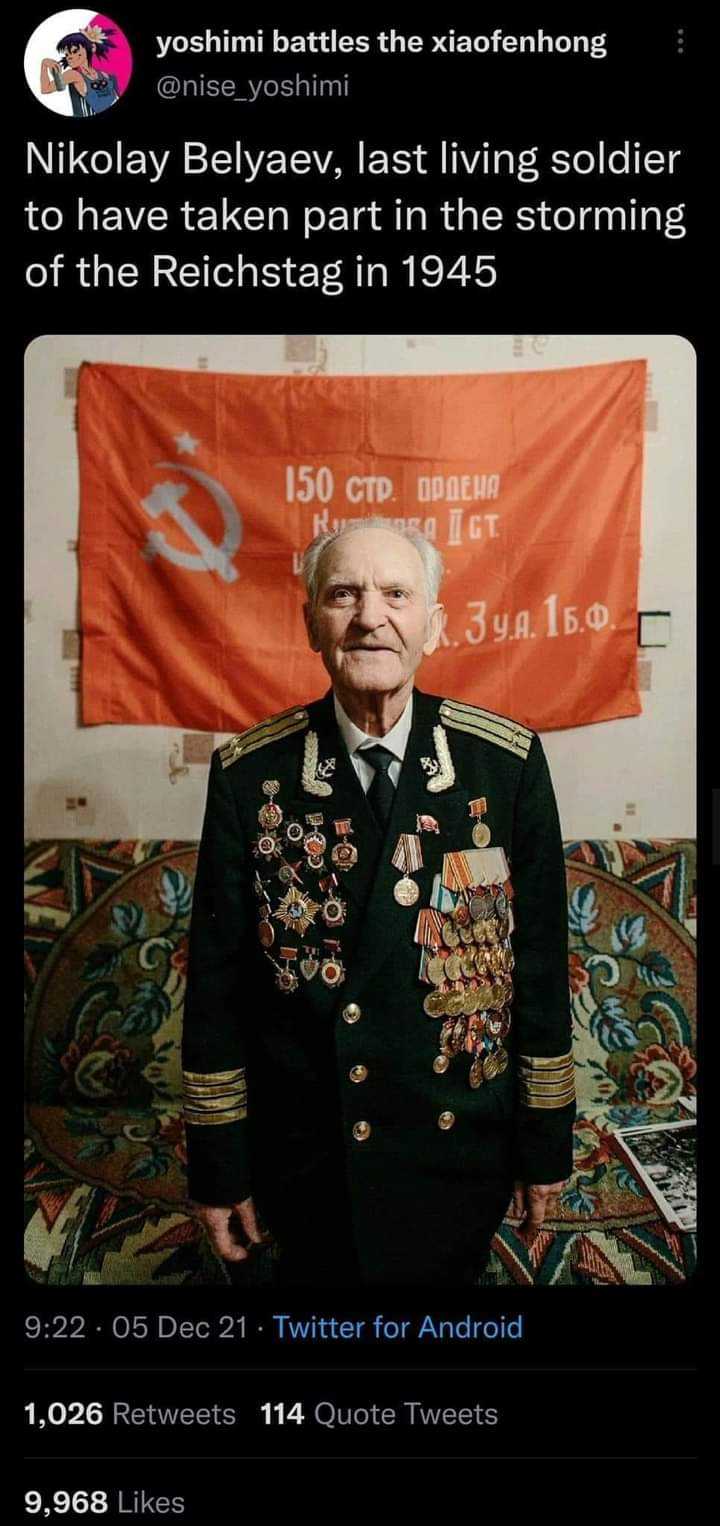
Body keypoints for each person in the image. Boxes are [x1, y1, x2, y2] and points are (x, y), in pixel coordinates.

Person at [182, 521, 575, 1285]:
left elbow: (540, 970)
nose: (371, 616)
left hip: (455, 1152)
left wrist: (543, 1147)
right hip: (309, 1161)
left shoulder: (505, 764)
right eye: (344, 593)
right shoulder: (249, 776)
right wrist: (219, 1169)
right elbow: (218, 992)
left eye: (397, 593)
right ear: (310, 624)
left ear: (435, 623)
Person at [40, 27, 120, 117]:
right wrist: (44, 64)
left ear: (92, 48)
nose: (69, 57)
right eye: (67, 54)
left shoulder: (105, 75)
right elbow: (45, 89)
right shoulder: (73, 75)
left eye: (74, 51)